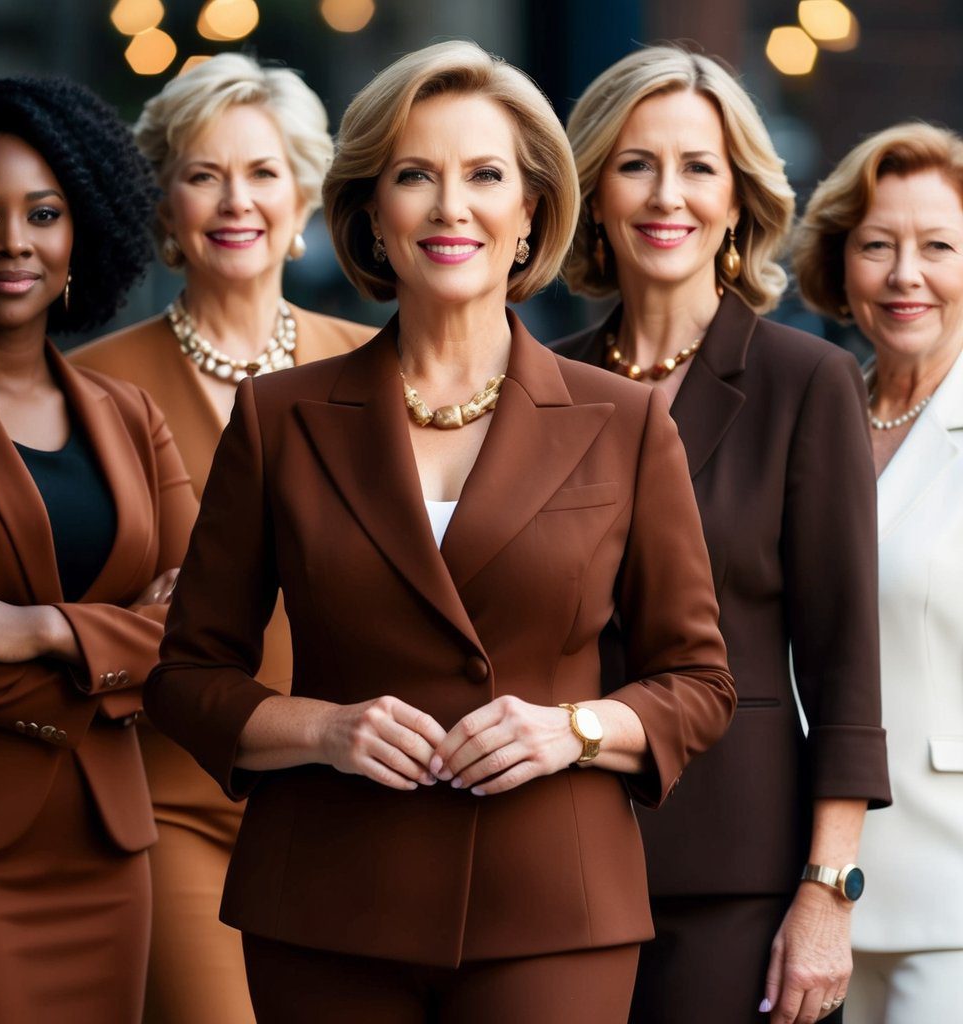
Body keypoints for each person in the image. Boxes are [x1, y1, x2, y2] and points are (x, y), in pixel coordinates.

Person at [145, 40, 736, 1023]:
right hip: (325, 905)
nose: (451, 207)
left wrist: (576, 730)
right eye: (415, 175)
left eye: (484, 176)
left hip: (553, 906)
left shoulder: (622, 422)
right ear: (375, 215)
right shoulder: (279, 417)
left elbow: (698, 682)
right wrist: (324, 729)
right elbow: (187, 675)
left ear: (532, 213)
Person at [551, 45, 891, 1024]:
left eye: (699, 166)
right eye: (636, 163)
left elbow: (841, 661)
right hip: (554, 855)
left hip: (733, 875)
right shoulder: (542, 383)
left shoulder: (805, 382)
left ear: (738, 199)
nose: (668, 196)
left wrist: (827, 891)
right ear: (594, 192)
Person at [69, 53, 373, 1024]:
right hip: (173, 803)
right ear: (164, 207)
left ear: (303, 200)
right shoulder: (91, 387)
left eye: (261, 172)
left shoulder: (375, 370)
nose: (234, 200)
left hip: (356, 803)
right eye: (202, 174)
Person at [0, 77, 196, 1023]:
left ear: (81, 231)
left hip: (108, 847)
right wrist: (125, 639)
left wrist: (42, 630)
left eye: (44, 214)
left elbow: (205, 630)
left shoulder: (128, 416)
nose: (14, 243)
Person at [793, 122, 963, 1024]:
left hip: (950, 895)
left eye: (938, 246)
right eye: (877, 245)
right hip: (791, 887)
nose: (906, 275)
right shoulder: (809, 410)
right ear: (837, 261)